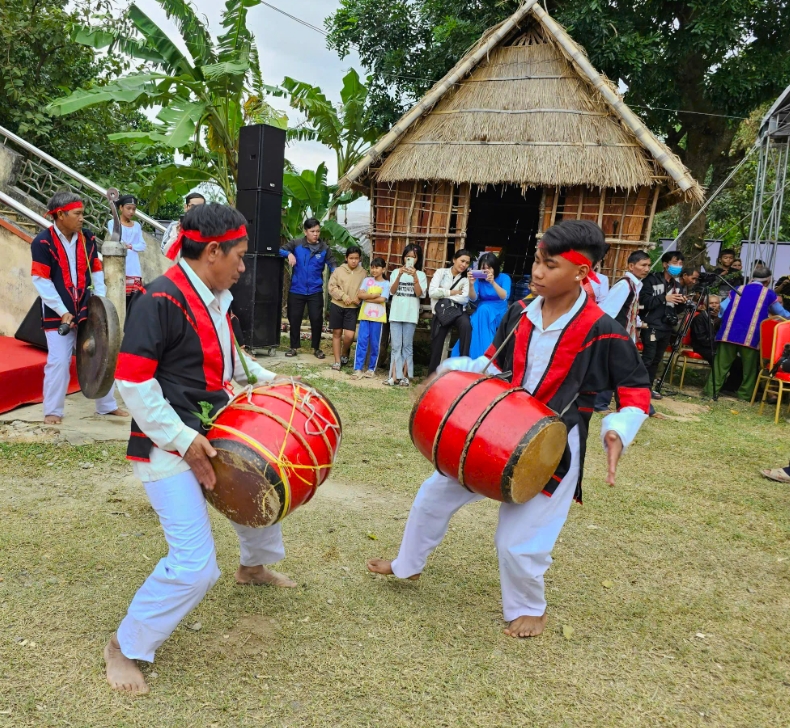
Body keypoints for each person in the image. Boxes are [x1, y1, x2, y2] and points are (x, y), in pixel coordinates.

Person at [367, 220, 650, 638]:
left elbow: (635, 387)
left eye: (549, 265)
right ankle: (407, 565)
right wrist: (445, 376)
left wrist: (619, 428)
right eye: (536, 261)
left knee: (516, 542)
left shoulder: (600, 329)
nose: (537, 272)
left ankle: (531, 608)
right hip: (493, 432)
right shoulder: (519, 313)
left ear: (581, 273)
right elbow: (489, 362)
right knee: (432, 495)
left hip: (555, 445)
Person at [108, 203, 294, 696]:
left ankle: (252, 566)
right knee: (194, 566)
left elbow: (233, 362)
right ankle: (125, 647)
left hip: (213, 430)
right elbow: (132, 381)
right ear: (212, 251)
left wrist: (276, 383)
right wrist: (185, 440)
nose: (243, 266)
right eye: (239, 255)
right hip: (166, 444)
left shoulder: (215, 297)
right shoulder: (160, 299)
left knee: (263, 487)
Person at [30, 192, 127, 425]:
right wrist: (62, 310)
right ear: (61, 215)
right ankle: (53, 410)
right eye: (78, 213)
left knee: (102, 354)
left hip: (87, 309)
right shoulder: (42, 242)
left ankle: (106, 405)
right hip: (57, 315)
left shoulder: (88, 239)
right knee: (59, 361)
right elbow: (41, 280)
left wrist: (100, 302)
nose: (82, 218)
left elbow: (96, 270)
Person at [703, 265, 790, 400]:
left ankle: (710, 391)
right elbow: (782, 314)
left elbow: (723, 308)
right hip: (751, 337)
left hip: (728, 333)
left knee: (720, 366)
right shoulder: (768, 294)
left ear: (751, 278)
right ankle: (744, 395)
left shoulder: (738, 289)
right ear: (767, 281)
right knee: (749, 370)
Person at [594, 250, 651, 412]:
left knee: (620, 369)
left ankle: (629, 404)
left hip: (626, 334)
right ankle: (602, 403)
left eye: (648, 265)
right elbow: (608, 312)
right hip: (618, 335)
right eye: (643, 265)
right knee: (615, 368)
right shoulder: (624, 285)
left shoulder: (635, 285)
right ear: (631, 266)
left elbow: (628, 310)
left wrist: (638, 323)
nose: (647, 269)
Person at [280, 218, 336, 359]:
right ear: (305, 232)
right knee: (294, 319)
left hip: (315, 290)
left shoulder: (325, 249)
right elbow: (279, 249)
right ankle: (293, 347)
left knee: (316, 319)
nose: (315, 234)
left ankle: (316, 348)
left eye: (317, 231)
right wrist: (289, 254)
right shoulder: (296, 244)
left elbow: (333, 266)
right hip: (296, 289)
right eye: (312, 231)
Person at [639, 251, 686, 399]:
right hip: (651, 324)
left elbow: (676, 309)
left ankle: (648, 388)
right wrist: (664, 297)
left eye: (680, 264)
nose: (678, 266)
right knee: (648, 358)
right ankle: (636, 388)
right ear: (665, 265)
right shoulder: (651, 280)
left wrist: (682, 303)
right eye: (675, 263)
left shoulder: (677, 285)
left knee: (657, 359)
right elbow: (644, 302)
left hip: (667, 326)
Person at [385, 245, 427, 387]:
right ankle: (393, 376)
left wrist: (414, 276)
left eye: (413, 257)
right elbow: (392, 291)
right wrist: (399, 275)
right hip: (396, 314)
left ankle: (405, 377)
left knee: (407, 347)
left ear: (417, 259)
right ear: (403, 257)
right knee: (396, 346)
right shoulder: (396, 272)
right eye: (408, 256)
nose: (410, 259)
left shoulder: (421, 275)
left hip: (410, 315)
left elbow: (419, 293)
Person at [457, 251, 512, 359]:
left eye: (489, 268)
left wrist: (493, 282)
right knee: (482, 311)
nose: (486, 271)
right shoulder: (479, 280)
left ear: (495, 268)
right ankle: (484, 355)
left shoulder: (504, 278)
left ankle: (481, 356)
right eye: (483, 268)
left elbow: (504, 296)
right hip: (483, 310)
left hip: (499, 310)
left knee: (482, 312)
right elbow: (473, 298)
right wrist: (471, 285)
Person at [427, 249, 472, 375]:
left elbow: (464, 298)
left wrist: (443, 296)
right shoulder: (441, 273)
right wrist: (452, 292)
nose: (464, 265)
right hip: (442, 312)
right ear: (454, 260)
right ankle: (431, 375)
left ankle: (463, 368)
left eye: (467, 263)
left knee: (466, 326)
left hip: (457, 311)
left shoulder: (465, 279)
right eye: (462, 261)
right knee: (437, 343)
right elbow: (432, 292)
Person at [327, 245, 366, 371]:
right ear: (346, 258)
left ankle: (345, 352)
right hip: (337, 305)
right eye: (351, 258)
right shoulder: (338, 271)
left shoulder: (363, 273)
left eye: (356, 258)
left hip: (352, 308)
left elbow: (365, 289)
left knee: (349, 335)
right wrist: (343, 296)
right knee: (337, 333)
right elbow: (332, 287)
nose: (354, 261)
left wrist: (359, 298)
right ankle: (337, 361)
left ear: (359, 259)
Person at [352, 257, 391, 379]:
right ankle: (358, 368)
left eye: (377, 267)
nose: (374, 270)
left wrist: (366, 297)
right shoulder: (367, 280)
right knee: (361, 342)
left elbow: (382, 299)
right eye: (372, 267)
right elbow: (360, 294)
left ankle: (371, 369)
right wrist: (373, 295)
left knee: (375, 344)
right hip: (364, 315)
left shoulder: (386, 284)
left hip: (378, 318)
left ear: (383, 269)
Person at [108, 195, 147, 305]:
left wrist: (130, 246)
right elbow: (116, 241)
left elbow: (142, 245)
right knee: (121, 301)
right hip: (121, 265)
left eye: (134, 209)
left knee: (134, 303)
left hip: (134, 269)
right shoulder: (113, 223)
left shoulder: (137, 226)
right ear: (121, 208)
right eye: (128, 208)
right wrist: (130, 246)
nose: (131, 211)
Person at [689, 294, 721, 366]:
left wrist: (717, 319)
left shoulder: (720, 318)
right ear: (705, 305)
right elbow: (701, 339)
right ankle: (716, 377)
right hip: (702, 347)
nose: (714, 305)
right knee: (719, 360)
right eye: (711, 303)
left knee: (737, 362)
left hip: (715, 347)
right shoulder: (699, 319)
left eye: (716, 303)